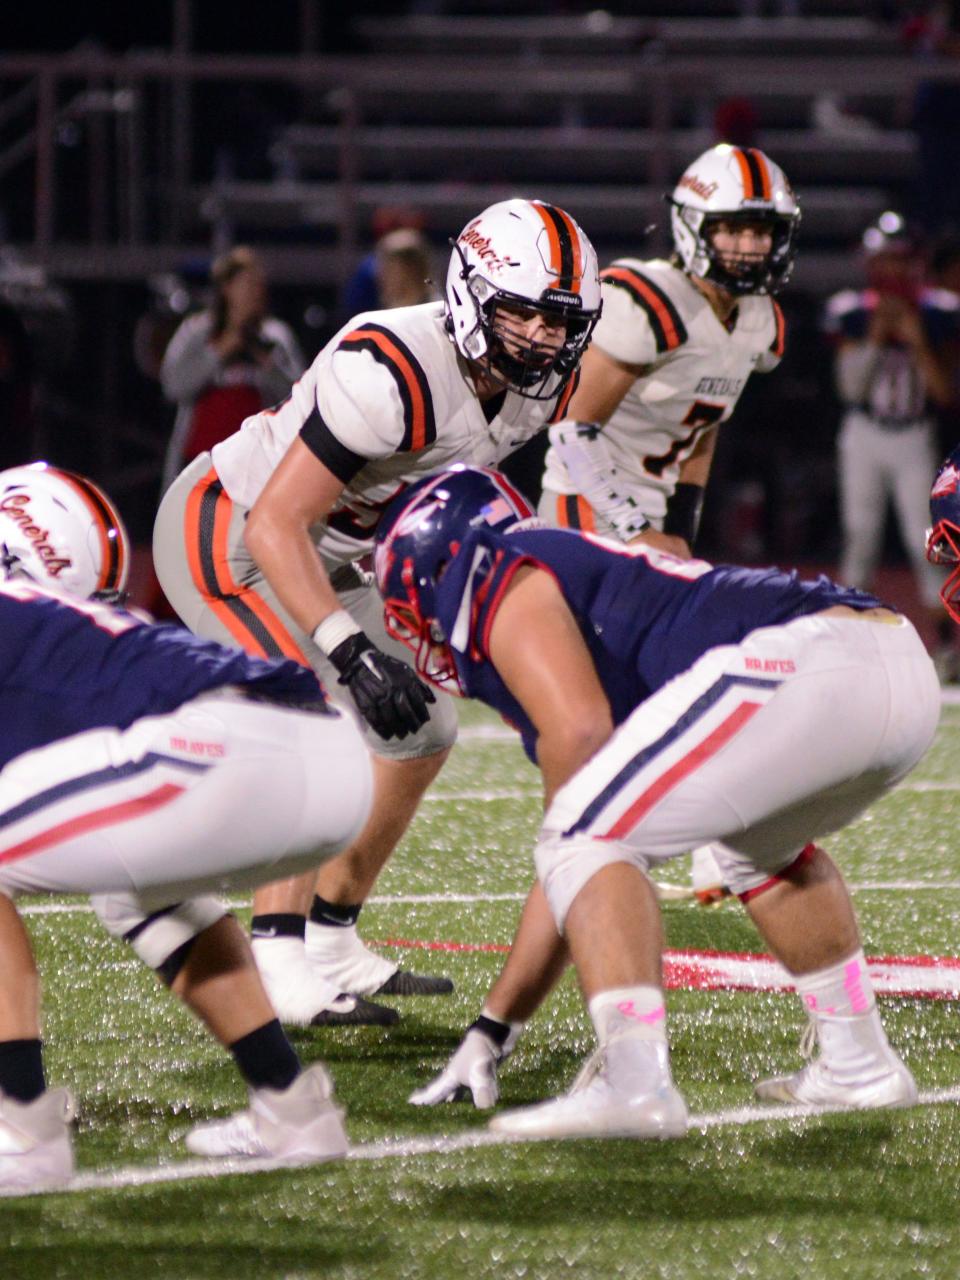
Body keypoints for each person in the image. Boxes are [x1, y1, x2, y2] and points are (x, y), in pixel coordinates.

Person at [374, 465, 937, 1137]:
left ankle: (633, 1081)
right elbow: (569, 877)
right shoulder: (565, 573)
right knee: (755, 850)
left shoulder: (495, 571)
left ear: (438, 566)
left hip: (815, 664)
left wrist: (501, 1018)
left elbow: (580, 774)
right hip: (894, 668)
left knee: (584, 837)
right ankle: (858, 1065)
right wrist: (495, 1026)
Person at [152, 199, 602, 1027]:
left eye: (560, 321)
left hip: (333, 548)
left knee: (422, 729)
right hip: (231, 535)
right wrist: (349, 651)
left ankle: (329, 936)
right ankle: (276, 952)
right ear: (471, 292)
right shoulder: (389, 366)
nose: (542, 339)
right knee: (319, 715)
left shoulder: (539, 386)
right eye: (525, 313)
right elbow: (274, 523)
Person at [0, 464, 374, 1191]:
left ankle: (20, 1125)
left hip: (219, 753)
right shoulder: (64, 625)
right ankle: (293, 1109)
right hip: (328, 754)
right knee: (133, 892)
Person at [539, 142, 800, 903]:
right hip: (584, 510)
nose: (749, 245)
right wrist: (629, 527)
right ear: (693, 228)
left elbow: (704, 430)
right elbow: (569, 427)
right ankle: (648, 846)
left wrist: (679, 523)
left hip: (646, 513)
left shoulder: (761, 325)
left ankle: (670, 843)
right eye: (733, 228)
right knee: (680, 676)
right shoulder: (648, 301)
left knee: (683, 679)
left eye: (762, 230)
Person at [824, 211, 960, 677]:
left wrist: (918, 341)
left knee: (925, 539)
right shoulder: (853, 310)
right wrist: (878, 340)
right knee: (860, 535)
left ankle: (945, 646)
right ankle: (847, 640)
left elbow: (944, 393)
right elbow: (850, 390)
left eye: (901, 260)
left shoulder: (939, 312)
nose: (894, 272)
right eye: (886, 260)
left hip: (914, 436)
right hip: (864, 433)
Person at [158, 246, 305, 496]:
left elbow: (301, 399)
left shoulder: (275, 337)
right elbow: (173, 385)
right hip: (200, 464)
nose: (253, 293)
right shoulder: (197, 331)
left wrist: (269, 365)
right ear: (226, 288)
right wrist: (221, 349)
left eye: (258, 285)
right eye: (245, 284)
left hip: (256, 466)